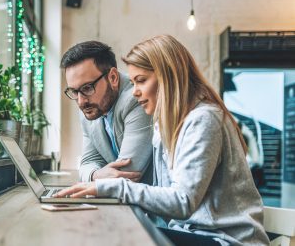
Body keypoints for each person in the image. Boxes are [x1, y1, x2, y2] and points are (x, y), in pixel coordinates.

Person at [56, 35, 270, 245]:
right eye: (132, 82)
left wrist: (108, 186)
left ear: (169, 77)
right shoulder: (165, 126)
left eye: (141, 81)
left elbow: (182, 202)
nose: (135, 92)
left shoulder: (204, 119)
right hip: (195, 233)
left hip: (226, 240)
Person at [61, 41, 153, 183]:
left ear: (113, 78)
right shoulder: (91, 107)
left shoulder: (137, 99)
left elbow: (127, 174)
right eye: (74, 91)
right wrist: (95, 175)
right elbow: (87, 163)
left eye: (87, 88)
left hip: (148, 201)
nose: (80, 102)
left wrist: (94, 175)